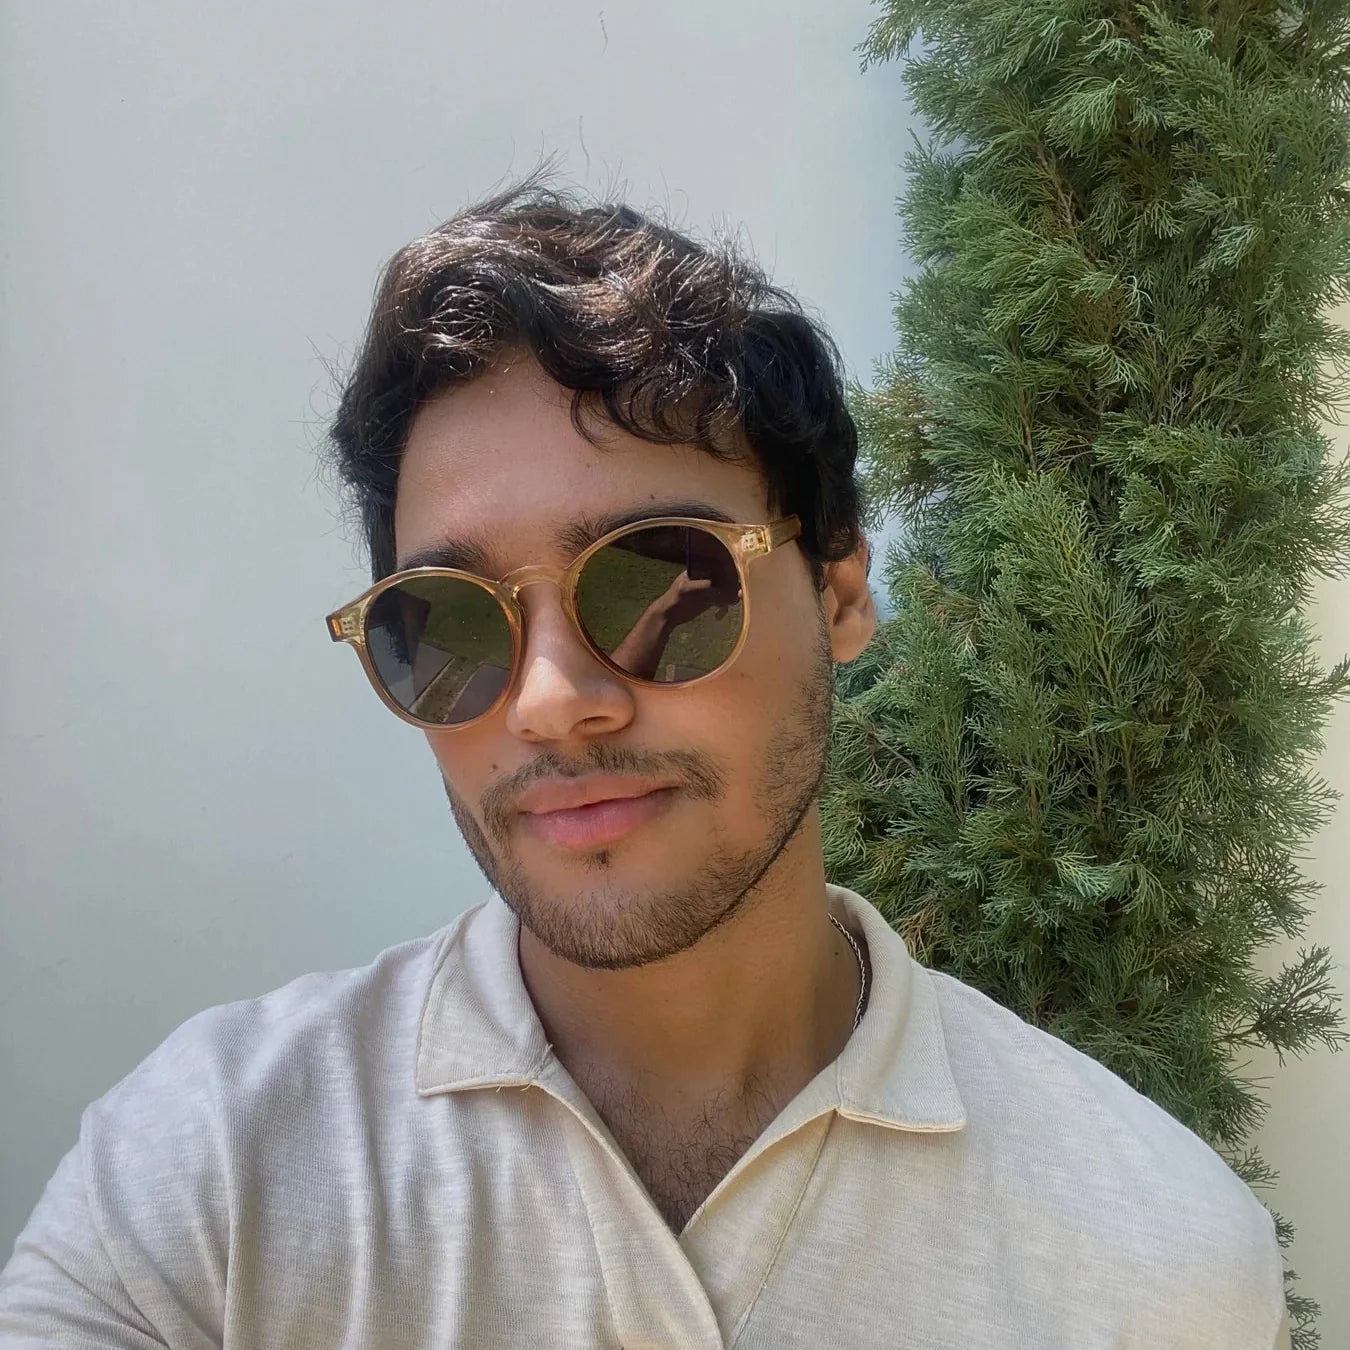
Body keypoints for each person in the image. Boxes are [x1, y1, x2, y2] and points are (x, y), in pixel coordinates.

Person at [0, 178, 1290, 1349]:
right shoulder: (208, 1176)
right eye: (445, 623)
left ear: (839, 590)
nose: (552, 703)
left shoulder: (1150, 1263)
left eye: (659, 579)